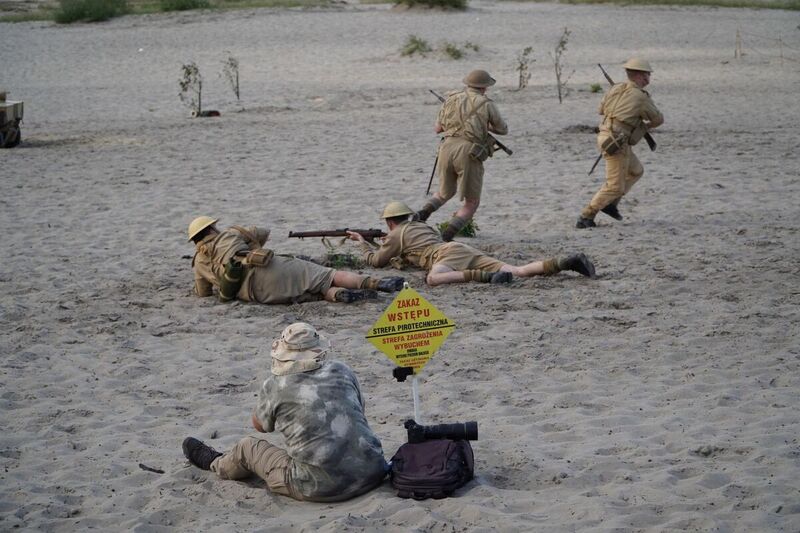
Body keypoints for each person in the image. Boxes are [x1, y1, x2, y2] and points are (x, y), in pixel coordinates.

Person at [182, 322, 388, 502]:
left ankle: (215, 462)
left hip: (320, 488)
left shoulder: (275, 385)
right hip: (373, 471)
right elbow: (359, 409)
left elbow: (260, 426)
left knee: (247, 447)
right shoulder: (342, 369)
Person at [347, 202, 595, 286]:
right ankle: (564, 262)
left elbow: (376, 262)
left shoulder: (395, 234)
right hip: (459, 248)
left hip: (444, 256)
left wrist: (362, 243)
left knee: (433, 279)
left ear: (390, 222)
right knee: (517, 270)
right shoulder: (421, 226)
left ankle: (485, 278)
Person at [187, 216, 403, 304]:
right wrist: (251, 247)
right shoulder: (231, 233)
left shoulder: (198, 262)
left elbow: (203, 293)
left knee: (315, 293)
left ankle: (339, 295)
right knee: (328, 275)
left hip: (254, 294)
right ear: (212, 227)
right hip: (270, 268)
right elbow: (264, 232)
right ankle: (377, 284)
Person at [414, 69, 508, 241]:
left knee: (443, 193)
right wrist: (482, 126)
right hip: (468, 151)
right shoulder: (486, 103)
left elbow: (438, 129)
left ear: (467, 84)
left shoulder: (450, 99)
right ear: (485, 87)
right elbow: (503, 129)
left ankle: (424, 212)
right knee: (472, 202)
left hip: (446, 148)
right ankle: (449, 233)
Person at [576, 57, 664, 228]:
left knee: (636, 170)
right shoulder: (641, 97)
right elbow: (658, 119)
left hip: (604, 136)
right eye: (647, 75)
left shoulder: (616, 89)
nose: (648, 78)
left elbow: (600, 110)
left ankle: (611, 204)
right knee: (615, 186)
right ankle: (587, 215)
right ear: (640, 76)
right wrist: (645, 124)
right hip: (618, 143)